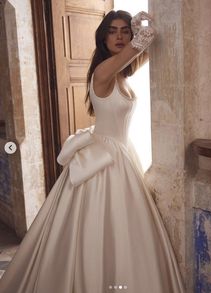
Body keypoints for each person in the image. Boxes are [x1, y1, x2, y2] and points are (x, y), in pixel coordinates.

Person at [0, 10, 184, 293]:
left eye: (125, 30)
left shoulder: (120, 71)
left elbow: (145, 48)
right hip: (104, 157)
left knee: (120, 229)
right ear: (102, 37)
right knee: (95, 225)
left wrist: (141, 29)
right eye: (113, 31)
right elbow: (146, 40)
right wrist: (140, 26)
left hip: (121, 152)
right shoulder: (104, 71)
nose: (121, 36)